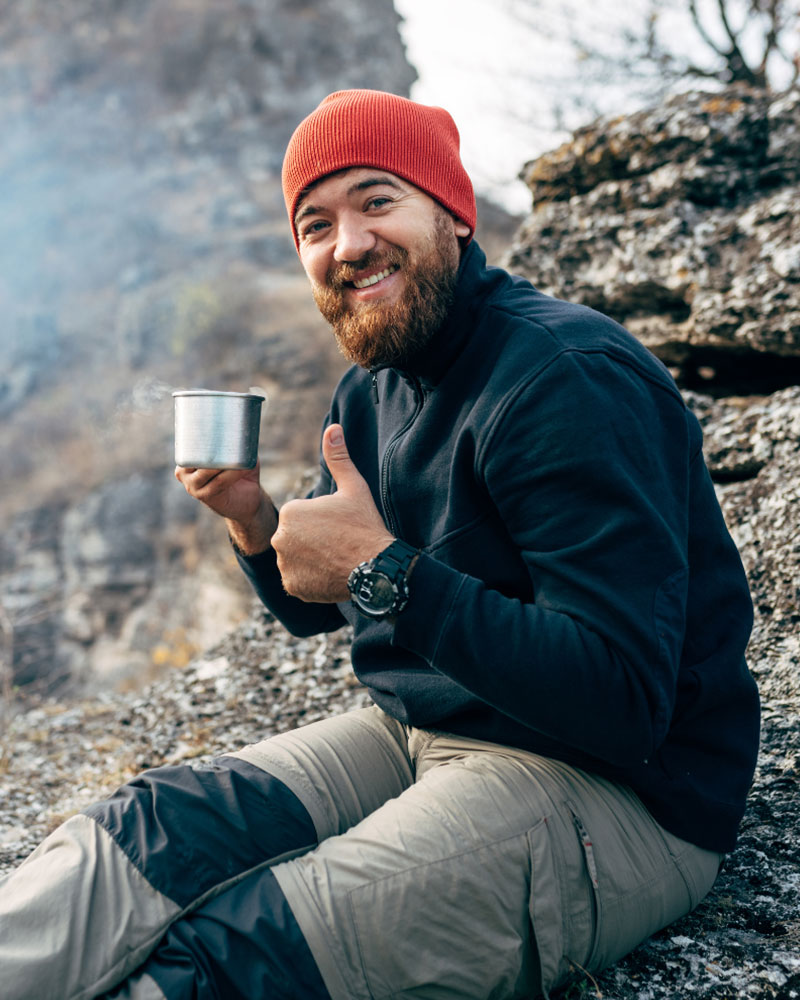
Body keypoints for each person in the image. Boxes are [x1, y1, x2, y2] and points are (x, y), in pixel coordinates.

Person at [0, 89, 760, 1000]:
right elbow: (315, 596)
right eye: (314, 224)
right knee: (134, 836)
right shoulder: (373, 390)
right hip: (423, 729)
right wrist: (256, 518)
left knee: (224, 958)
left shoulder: (564, 379)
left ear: (452, 214)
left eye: (376, 201)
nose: (347, 242)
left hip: (619, 792)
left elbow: (625, 704)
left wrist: (385, 570)